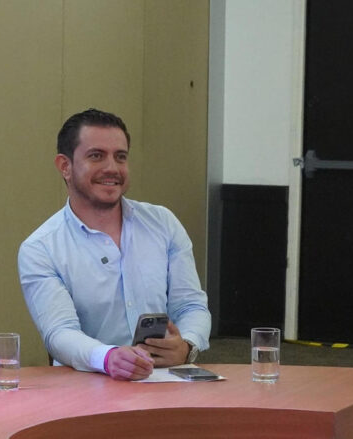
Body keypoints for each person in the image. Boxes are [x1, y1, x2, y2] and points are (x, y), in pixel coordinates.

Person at [18, 109, 210, 381]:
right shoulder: (41, 248)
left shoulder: (163, 223)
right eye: (96, 156)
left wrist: (187, 346)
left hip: (164, 383)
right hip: (85, 388)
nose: (112, 168)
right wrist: (108, 358)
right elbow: (59, 333)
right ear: (65, 166)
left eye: (120, 157)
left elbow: (191, 307)